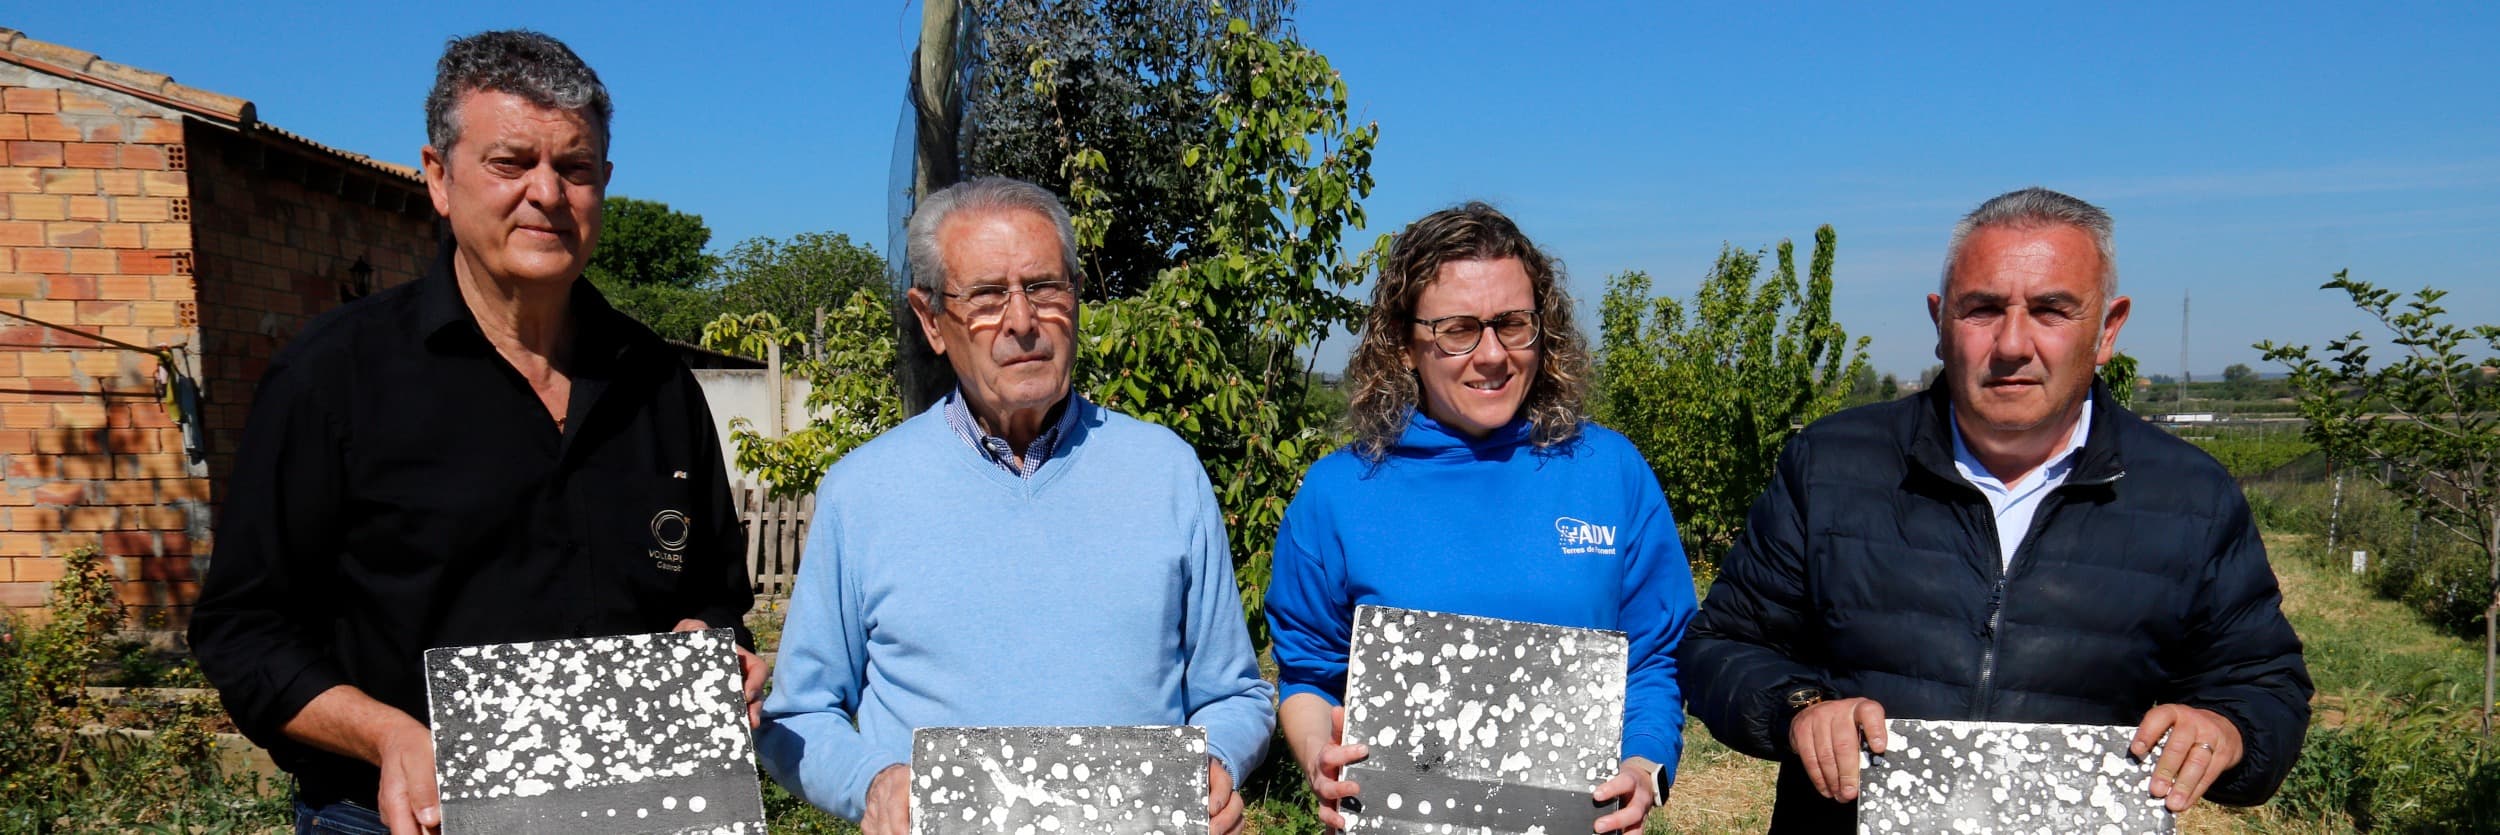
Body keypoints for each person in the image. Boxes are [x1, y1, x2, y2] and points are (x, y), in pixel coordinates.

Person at [188, 31, 761, 835]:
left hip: (629, 811)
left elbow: (715, 593)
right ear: (438, 178)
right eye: (511, 162)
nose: (547, 193)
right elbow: (245, 633)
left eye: (575, 167)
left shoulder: (656, 385)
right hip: (401, 818)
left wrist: (709, 645)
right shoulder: (333, 378)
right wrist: (390, 734)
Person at [1676, 187, 2312, 832]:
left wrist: (2226, 731)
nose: (2012, 344)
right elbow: (1722, 646)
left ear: (2107, 329)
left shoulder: (2189, 495)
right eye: (1981, 310)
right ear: (1939, 321)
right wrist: (1801, 709)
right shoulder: (1832, 466)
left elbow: (2265, 687)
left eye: (2050, 311)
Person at [755, 176, 1274, 835]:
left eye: (1045, 287)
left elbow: (1233, 694)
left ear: (1077, 297)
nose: (1022, 321)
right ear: (930, 320)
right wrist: (873, 785)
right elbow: (797, 715)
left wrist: (1218, 760)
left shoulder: (1166, 470)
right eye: (987, 297)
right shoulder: (862, 490)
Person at [1264, 203, 1697, 834]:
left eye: (1513, 324)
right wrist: (1318, 761)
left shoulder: (1609, 471)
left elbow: (1657, 658)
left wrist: (1643, 769)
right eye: (1459, 329)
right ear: (1405, 341)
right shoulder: (1339, 493)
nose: (1492, 354)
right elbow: (1308, 674)